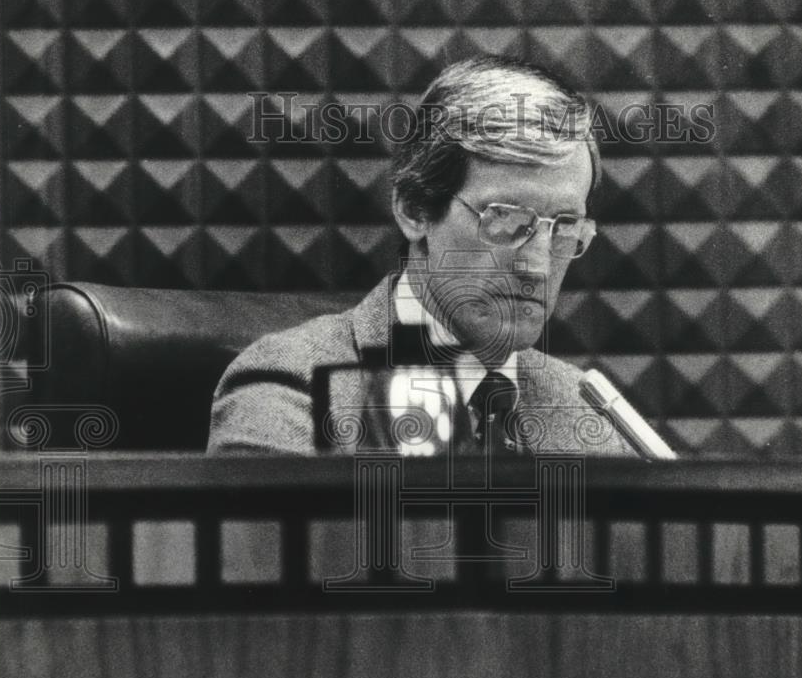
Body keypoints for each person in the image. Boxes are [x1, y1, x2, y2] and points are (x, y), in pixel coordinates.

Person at [208, 56, 643, 457]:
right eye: (506, 221)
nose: (537, 265)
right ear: (414, 210)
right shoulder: (292, 388)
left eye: (565, 228)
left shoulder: (591, 416)